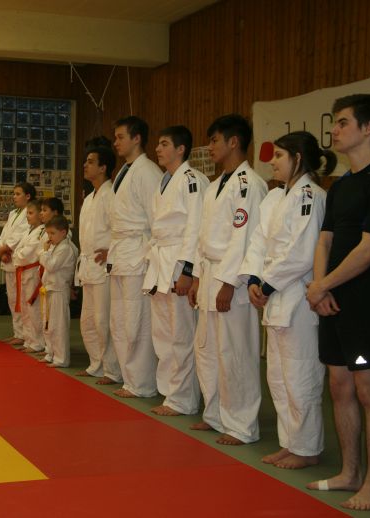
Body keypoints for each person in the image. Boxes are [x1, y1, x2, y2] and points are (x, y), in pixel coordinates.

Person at [305, 94, 370, 511]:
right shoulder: (342, 184)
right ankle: (350, 473)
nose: (334, 130)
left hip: (367, 300)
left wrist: (322, 286)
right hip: (333, 299)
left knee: (369, 391)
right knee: (339, 386)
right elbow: (325, 240)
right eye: (334, 123)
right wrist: (320, 287)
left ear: (369, 128)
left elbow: (369, 249)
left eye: (343, 122)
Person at [239, 131, 335, 469]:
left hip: (298, 296)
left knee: (301, 376)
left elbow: (303, 252)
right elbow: (258, 241)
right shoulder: (275, 197)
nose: (272, 161)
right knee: (278, 378)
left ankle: (308, 448)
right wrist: (253, 279)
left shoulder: (312, 196)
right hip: (275, 295)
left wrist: (267, 284)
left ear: (297, 158)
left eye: (279, 155)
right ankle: (290, 442)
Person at [188, 114, 268, 445]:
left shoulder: (250, 184)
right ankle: (216, 414)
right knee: (208, 349)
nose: (210, 147)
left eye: (215, 140)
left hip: (232, 278)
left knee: (236, 352)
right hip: (209, 272)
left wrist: (229, 282)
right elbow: (202, 235)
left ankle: (242, 425)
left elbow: (244, 238)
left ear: (234, 142)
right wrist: (196, 276)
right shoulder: (215, 184)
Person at [144, 126, 208, 416]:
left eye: (164, 144)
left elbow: (195, 227)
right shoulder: (164, 181)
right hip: (160, 259)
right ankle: (170, 393)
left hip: (179, 260)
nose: (158, 149)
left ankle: (184, 399)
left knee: (181, 334)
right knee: (163, 334)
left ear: (181, 149)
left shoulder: (192, 179)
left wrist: (188, 269)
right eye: (158, 143)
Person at [108, 115, 161, 398]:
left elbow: (156, 220)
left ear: (137, 138)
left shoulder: (148, 172)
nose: (115, 142)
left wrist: (151, 259)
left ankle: (142, 383)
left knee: (136, 321)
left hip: (138, 254)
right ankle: (129, 378)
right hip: (120, 252)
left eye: (120, 137)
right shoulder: (125, 171)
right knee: (119, 321)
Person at [75, 144, 122, 385]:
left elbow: (120, 228)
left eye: (91, 161)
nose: (85, 165)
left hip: (103, 267)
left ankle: (113, 370)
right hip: (88, 265)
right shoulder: (89, 198)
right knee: (88, 321)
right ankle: (96, 364)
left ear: (103, 167)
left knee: (104, 321)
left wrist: (110, 250)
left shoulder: (111, 194)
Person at [0, 182, 36, 346]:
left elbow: (20, 236)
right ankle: (18, 332)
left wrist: (6, 249)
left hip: (20, 261)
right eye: (14, 194)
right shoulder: (13, 213)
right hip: (8, 260)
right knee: (12, 299)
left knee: (22, 301)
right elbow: (4, 234)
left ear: (28, 196)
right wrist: (1, 249)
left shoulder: (31, 213)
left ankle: (26, 335)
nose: (14, 197)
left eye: (18, 194)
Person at [38, 215, 78, 368]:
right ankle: (50, 353)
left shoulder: (66, 248)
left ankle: (61, 358)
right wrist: (46, 252)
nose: (49, 236)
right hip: (49, 289)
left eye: (52, 233)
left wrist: (44, 252)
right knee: (48, 324)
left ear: (63, 232)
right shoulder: (55, 246)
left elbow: (51, 266)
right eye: (48, 233)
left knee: (58, 326)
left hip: (59, 291)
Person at [13, 199, 46, 353]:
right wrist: (17, 256)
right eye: (27, 213)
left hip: (32, 271)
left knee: (34, 308)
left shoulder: (41, 232)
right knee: (25, 309)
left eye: (31, 213)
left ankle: (37, 342)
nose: (27, 216)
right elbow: (18, 251)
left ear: (40, 215)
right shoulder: (30, 230)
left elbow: (27, 253)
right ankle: (28, 340)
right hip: (24, 271)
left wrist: (17, 256)